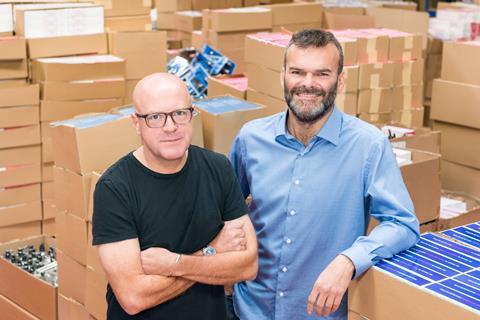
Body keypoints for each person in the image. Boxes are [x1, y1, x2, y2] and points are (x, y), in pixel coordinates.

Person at [229, 29, 420, 319]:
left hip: (318, 313)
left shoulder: (368, 146)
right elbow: (224, 210)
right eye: (297, 72)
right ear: (282, 76)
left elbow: (403, 224)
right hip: (249, 309)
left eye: (322, 74)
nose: (308, 84)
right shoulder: (250, 139)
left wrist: (348, 260)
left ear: (340, 81)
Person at [92, 73, 258, 320]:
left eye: (180, 113)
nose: (170, 127)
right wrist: (212, 251)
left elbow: (247, 266)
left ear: (192, 114)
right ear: (136, 123)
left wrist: (174, 263)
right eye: (155, 117)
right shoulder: (115, 188)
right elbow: (134, 298)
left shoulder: (218, 168)